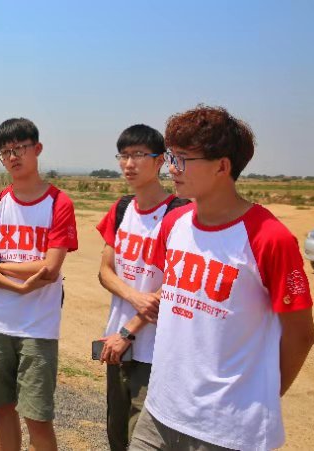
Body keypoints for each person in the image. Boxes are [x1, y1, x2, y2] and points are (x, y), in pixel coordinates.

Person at [129, 106, 314, 451]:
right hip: (159, 413)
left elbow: (301, 334)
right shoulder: (173, 223)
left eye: (182, 159)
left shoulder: (269, 237)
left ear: (222, 166)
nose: (171, 168)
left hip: (227, 430)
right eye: (171, 156)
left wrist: (260, 396)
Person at [0, 118, 78, 451]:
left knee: (38, 416)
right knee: (2, 409)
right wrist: (17, 281)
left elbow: (50, 267)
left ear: (37, 149)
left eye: (19, 148)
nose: (12, 156)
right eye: (5, 152)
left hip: (37, 328)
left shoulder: (58, 203)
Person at [95, 124, 187, 450]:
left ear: (160, 161)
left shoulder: (180, 214)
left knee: (144, 439)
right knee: (116, 433)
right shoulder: (122, 209)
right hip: (117, 345)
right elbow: (105, 271)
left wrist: (128, 331)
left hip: (156, 351)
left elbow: (176, 285)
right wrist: (133, 297)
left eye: (138, 155)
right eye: (123, 155)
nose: (128, 164)